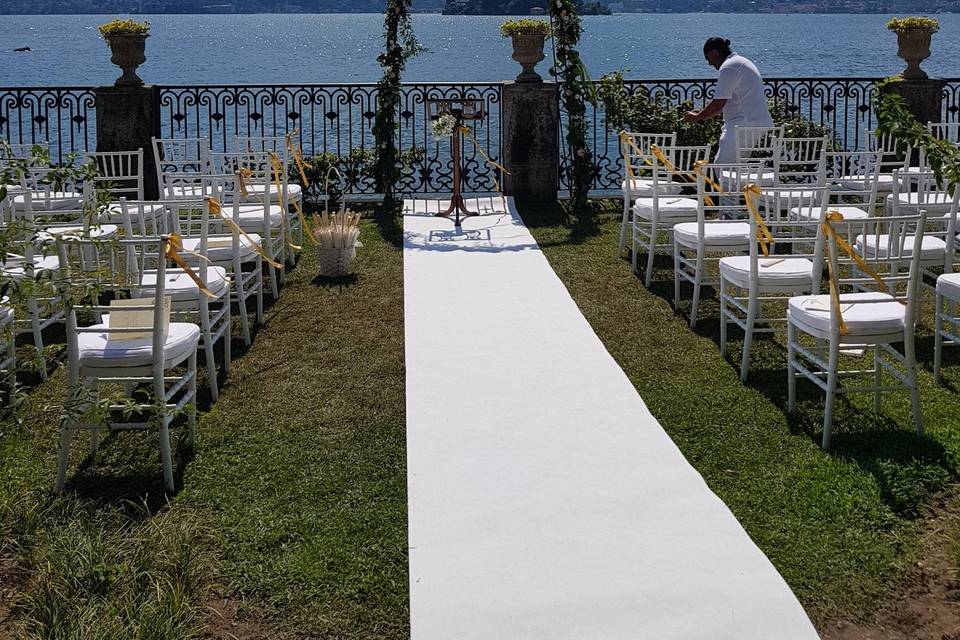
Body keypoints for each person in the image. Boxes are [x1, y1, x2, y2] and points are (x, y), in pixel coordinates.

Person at [684, 37, 773, 164]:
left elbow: (719, 102)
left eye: (708, 58)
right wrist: (703, 113)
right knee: (734, 167)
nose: (709, 64)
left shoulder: (729, 67)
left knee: (722, 168)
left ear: (715, 53)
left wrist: (697, 117)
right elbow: (726, 104)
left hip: (743, 126)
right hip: (753, 123)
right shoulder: (740, 62)